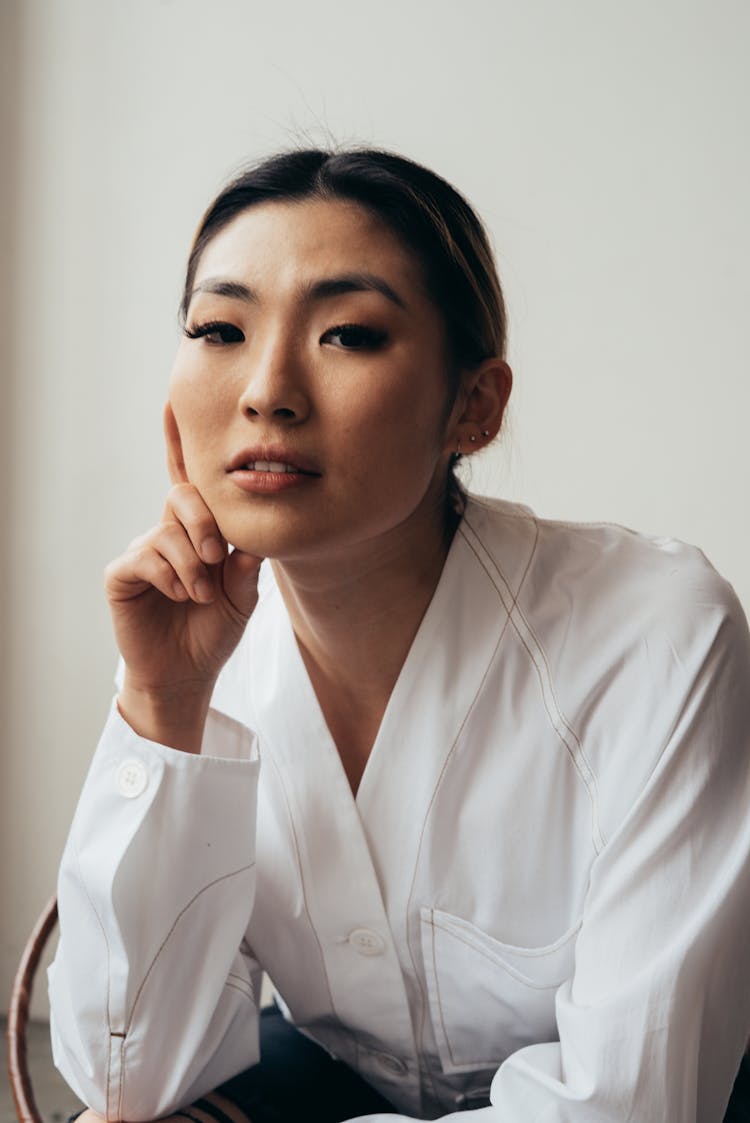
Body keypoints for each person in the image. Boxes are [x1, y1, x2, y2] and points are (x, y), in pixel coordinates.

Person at [48, 149, 750, 1123]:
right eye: (219, 328)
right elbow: (126, 1078)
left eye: (348, 333)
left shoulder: (657, 635)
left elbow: (634, 1104)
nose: (266, 391)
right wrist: (161, 704)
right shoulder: (198, 653)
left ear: (475, 405)